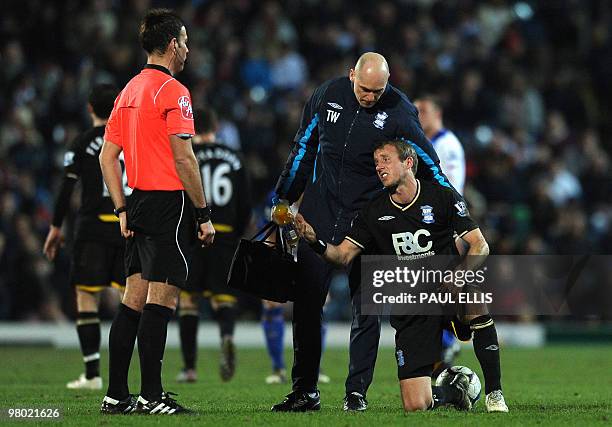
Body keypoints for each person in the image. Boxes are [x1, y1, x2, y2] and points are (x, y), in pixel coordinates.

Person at [270, 52, 455, 412]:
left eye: (377, 91)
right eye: (365, 88)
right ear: (351, 74)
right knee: (307, 303)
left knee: (366, 311)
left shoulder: (400, 110)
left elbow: (428, 162)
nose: (370, 97)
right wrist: (284, 196)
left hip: (369, 219)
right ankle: (305, 390)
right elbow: (303, 147)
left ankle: (356, 393)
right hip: (321, 211)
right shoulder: (326, 95)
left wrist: (454, 209)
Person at [294, 140, 493, 412]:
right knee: (415, 405)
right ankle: (452, 393)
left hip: (447, 289)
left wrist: (459, 275)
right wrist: (315, 241)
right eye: (376, 162)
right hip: (412, 306)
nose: (379, 167)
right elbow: (342, 256)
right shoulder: (374, 211)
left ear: (408, 163)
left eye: (386, 159)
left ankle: (495, 394)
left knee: (475, 300)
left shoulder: (441, 196)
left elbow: (480, 245)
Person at [98, 8, 214, 415]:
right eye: (184, 40)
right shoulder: (174, 91)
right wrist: (203, 214)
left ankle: (116, 395)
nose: (187, 48)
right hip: (169, 202)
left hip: (139, 199)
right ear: (171, 46)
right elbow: (185, 159)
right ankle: (151, 396)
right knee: (161, 300)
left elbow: (108, 157)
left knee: (133, 298)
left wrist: (121, 207)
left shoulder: (128, 90)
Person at [43, 83, 124, 390]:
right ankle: (132, 373)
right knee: (129, 301)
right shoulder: (129, 138)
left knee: (86, 296)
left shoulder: (81, 143)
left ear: (90, 108)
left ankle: (92, 374)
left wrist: (55, 227)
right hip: (125, 225)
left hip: (92, 228)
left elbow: (66, 188)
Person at [176, 107, 251, 383]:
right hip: (226, 235)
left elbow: (181, 197)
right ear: (216, 126)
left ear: (193, 129)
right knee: (224, 297)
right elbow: (245, 202)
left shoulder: (186, 156)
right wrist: (238, 234)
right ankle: (228, 336)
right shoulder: (234, 158)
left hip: (194, 233)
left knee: (189, 300)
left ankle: (189, 368)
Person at [415, 95, 466, 376]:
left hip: (442, 225)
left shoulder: (448, 144)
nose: (418, 115)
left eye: (423, 110)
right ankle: (442, 344)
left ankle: (447, 342)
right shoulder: (423, 144)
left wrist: (453, 229)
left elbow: (453, 188)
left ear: (438, 113)